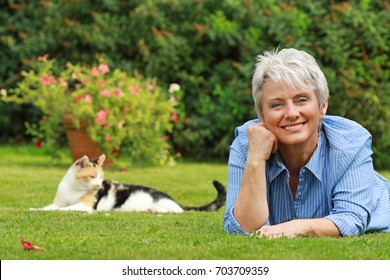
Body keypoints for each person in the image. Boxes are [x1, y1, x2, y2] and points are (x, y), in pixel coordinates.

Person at [223, 48, 390, 238]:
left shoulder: (351, 142)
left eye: (301, 100)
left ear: (322, 106)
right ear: (261, 114)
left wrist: (298, 227)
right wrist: (255, 158)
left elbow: (351, 219)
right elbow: (242, 228)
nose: (292, 113)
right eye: (277, 104)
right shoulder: (246, 143)